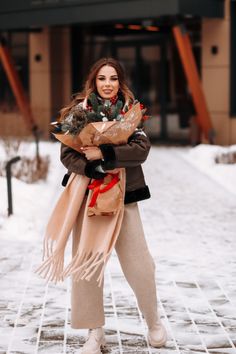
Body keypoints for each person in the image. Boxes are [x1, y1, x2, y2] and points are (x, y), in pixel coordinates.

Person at [59, 57, 167, 354]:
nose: (108, 84)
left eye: (114, 78)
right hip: (89, 198)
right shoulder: (78, 113)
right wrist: (90, 167)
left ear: (121, 82)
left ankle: (153, 320)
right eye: (102, 78)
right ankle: (95, 332)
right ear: (93, 82)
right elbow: (67, 155)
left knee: (140, 264)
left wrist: (103, 153)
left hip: (125, 195)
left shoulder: (132, 113)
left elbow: (141, 150)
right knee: (88, 265)